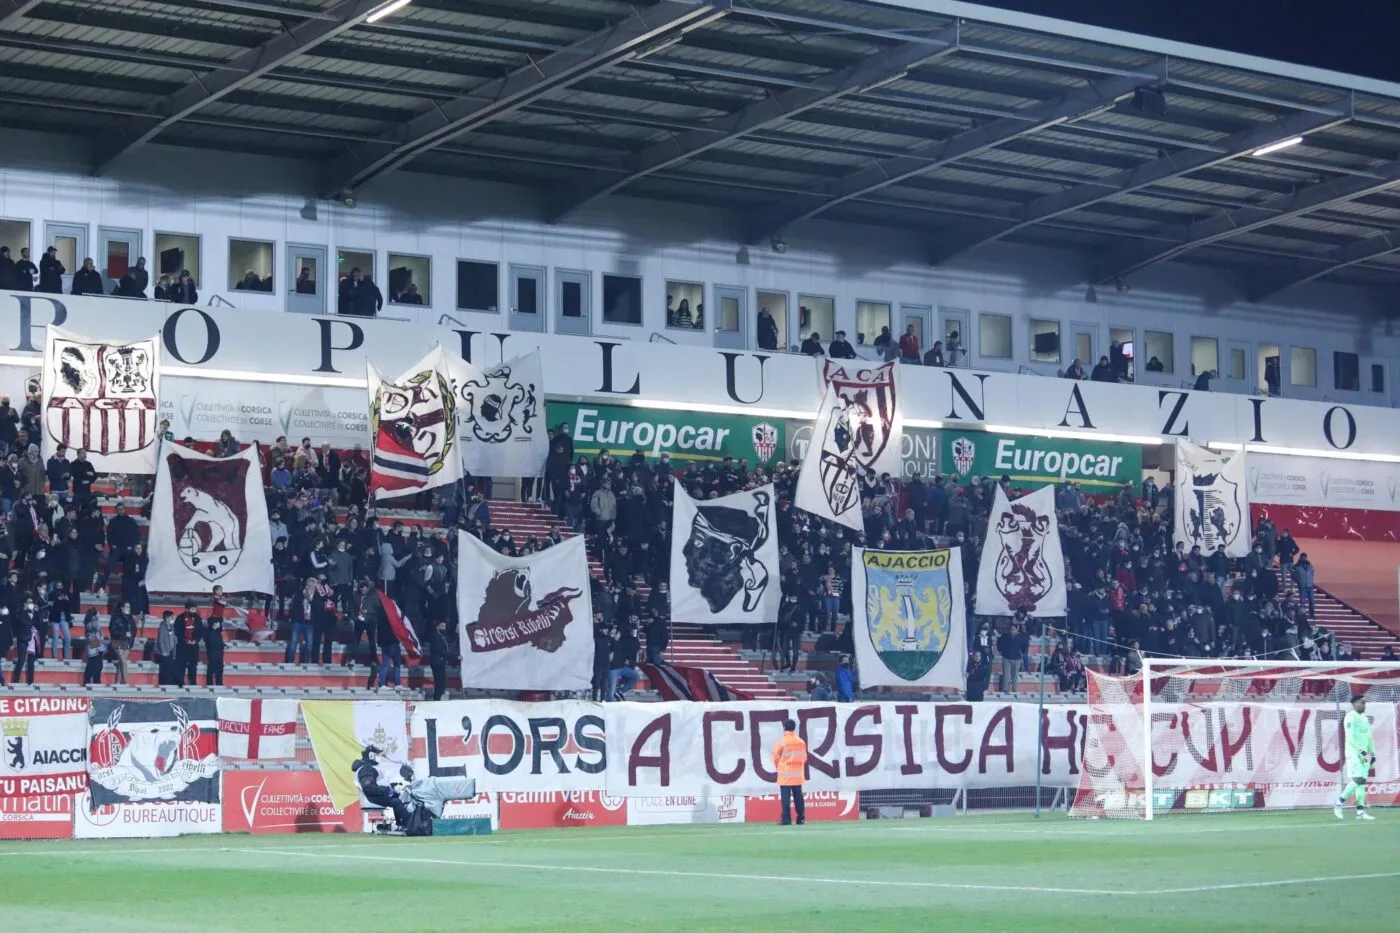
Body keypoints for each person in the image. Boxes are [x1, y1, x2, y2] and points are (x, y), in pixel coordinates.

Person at [1334, 694, 1376, 821]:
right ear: (1354, 704)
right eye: (1361, 703)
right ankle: (1338, 803)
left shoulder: (1364, 718)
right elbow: (1350, 737)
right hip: (1353, 753)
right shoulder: (1350, 717)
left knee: (1362, 782)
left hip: (1364, 754)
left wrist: (1372, 753)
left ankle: (1360, 812)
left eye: (1365, 703)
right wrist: (1362, 752)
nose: (1364, 705)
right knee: (1358, 779)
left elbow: (1368, 737)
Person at [771, 719, 808, 825]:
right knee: (798, 798)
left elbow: (775, 757)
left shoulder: (781, 741)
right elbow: (804, 758)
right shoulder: (801, 742)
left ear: (784, 728)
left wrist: (780, 766)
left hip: (785, 775)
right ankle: (801, 818)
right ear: (794, 728)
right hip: (798, 775)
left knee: (785, 799)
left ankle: (786, 819)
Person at [175, 599, 202, 686]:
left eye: (195, 609)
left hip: (193, 646)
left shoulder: (197, 618)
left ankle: (193, 683)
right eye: (192, 609)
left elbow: (200, 631)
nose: (194, 610)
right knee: (181, 665)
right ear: (187, 609)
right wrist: (185, 640)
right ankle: (180, 683)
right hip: (183, 645)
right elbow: (177, 631)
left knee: (193, 665)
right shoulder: (180, 618)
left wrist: (196, 640)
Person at [82, 608, 105, 685]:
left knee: (99, 665)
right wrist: (96, 618)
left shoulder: (93, 621)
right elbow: (97, 627)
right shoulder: (89, 622)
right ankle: (88, 681)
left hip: (98, 645)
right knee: (93, 664)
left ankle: (96, 680)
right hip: (93, 644)